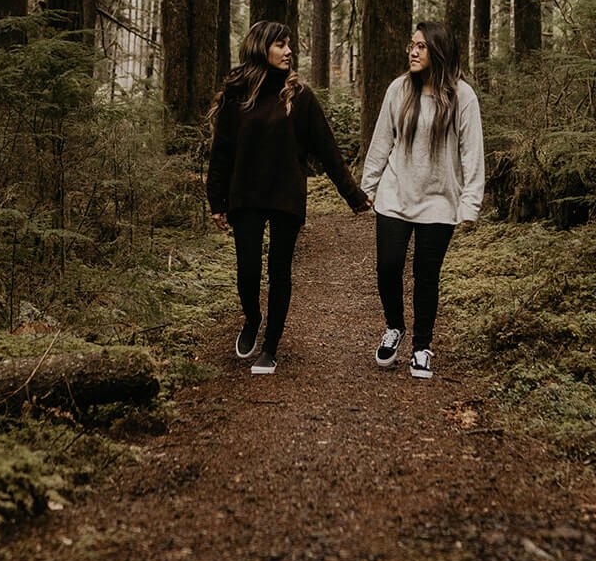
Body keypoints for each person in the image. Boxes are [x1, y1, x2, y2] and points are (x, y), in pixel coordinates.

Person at [207, 20, 370, 376]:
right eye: (280, 44)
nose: (288, 51)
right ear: (260, 47)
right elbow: (221, 152)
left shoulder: (299, 96)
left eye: (289, 44)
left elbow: (328, 151)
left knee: (279, 271)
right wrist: (216, 201)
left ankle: (271, 347)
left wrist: (354, 196)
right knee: (247, 271)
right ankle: (252, 319)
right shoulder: (236, 95)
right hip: (246, 195)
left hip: (286, 196)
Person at [361, 20, 484, 380]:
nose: (413, 52)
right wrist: (367, 187)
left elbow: (471, 153)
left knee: (426, 276)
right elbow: (382, 140)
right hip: (395, 194)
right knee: (388, 267)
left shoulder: (463, 96)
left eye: (421, 47)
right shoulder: (399, 89)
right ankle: (394, 327)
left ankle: (422, 347)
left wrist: (470, 203)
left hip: (439, 202)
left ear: (439, 51)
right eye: (411, 46)